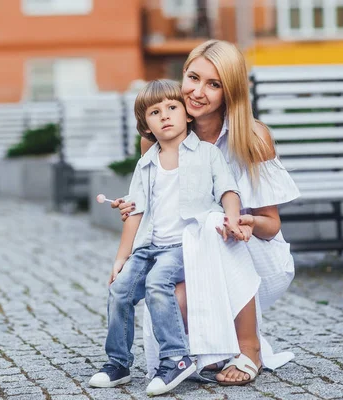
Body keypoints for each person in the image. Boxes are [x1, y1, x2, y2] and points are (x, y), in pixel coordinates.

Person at [113, 40, 301, 385]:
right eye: (193, 77)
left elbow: (271, 226)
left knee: (215, 222)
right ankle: (206, 353)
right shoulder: (158, 135)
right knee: (171, 299)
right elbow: (157, 204)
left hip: (252, 251)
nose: (198, 92)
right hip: (188, 251)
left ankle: (249, 349)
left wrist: (245, 220)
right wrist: (133, 207)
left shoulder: (252, 138)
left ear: (229, 92)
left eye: (213, 85)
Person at [88, 79, 246, 396]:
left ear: (187, 114)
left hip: (186, 245)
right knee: (120, 289)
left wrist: (232, 220)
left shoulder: (207, 155)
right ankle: (118, 363)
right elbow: (135, 213)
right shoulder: (146, 164)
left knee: (158, 283)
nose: (165, 115)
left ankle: (176, 358)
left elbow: (228, 190)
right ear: (145, 125)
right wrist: (122, 257)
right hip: (151, 247)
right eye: (155, 112)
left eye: (172, 107)